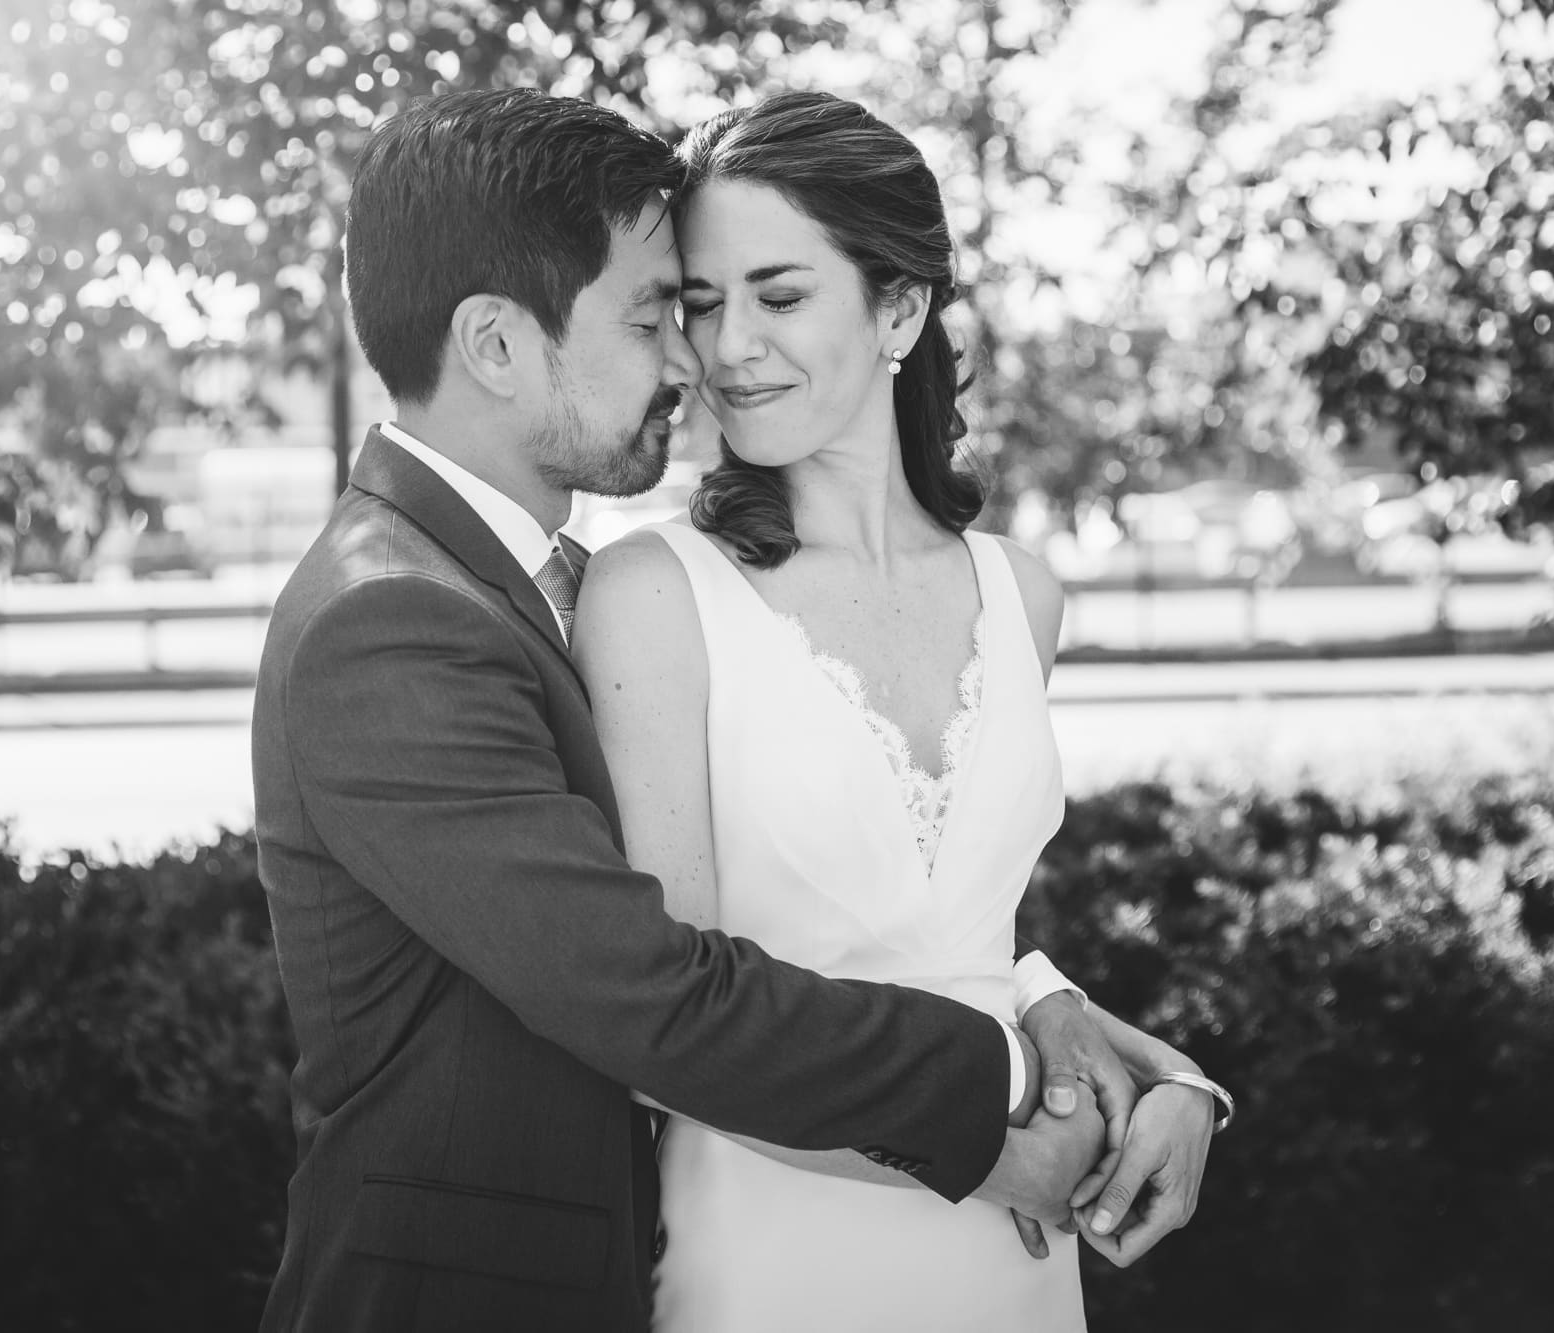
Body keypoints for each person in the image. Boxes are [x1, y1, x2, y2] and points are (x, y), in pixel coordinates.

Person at [250, 87, 1150, 1333]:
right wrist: (1003, 1095)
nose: (699, 358)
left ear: (900, 309)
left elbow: (922, 898)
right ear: (499, 345)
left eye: (759, 298)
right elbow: (652, 992)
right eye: (660, 312)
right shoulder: (393, 616)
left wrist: (1084, 1029)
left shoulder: (494, 577)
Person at [572, 92, 1229, 1331]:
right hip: (770, 1248)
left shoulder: (1022, 595)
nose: (725, 349)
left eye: (777, 295)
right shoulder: (654, 595)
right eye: (700, 303)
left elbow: (960, 941)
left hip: (1018, 1265)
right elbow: (675, 1017)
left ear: (899, 308)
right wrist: (982, 1153)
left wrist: (1175, 1085)